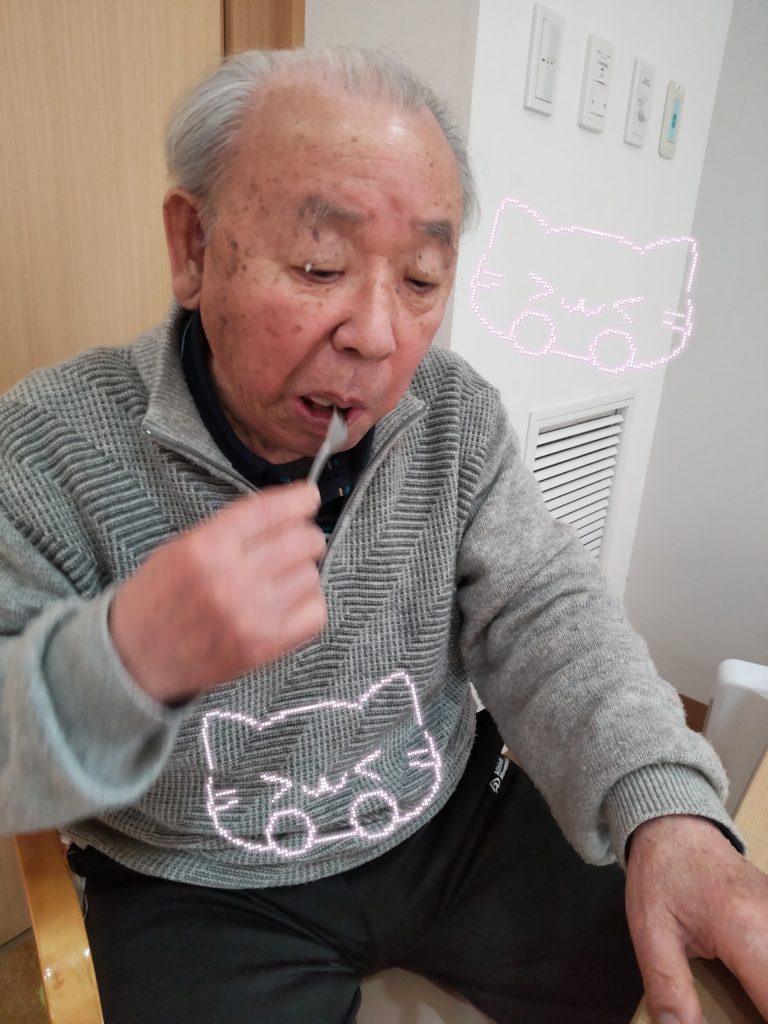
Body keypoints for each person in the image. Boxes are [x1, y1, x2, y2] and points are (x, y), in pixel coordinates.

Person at [0, 47, 766, 1024]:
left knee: (696, 976)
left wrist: (670, 807)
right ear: (192, 246)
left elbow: (549, 617)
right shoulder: (49, 446)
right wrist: (125, 659)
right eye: (320, 265)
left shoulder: (451, 415)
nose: (376, 333)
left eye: (420, 279)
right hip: (196, 877)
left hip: (446, 815)